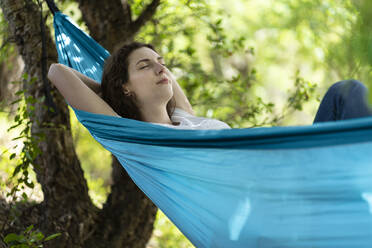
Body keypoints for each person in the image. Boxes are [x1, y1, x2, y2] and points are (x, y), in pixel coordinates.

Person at [47, 41, 372, 129]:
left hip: (282, 158)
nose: (161, 68)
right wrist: (111, 89)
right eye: (145, 65)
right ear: (124, 87)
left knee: (347, 91)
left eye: (162, 62)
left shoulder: (185, 116)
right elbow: (58, 72)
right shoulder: (138, 136)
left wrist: (146, 69)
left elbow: (167, 76)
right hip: (274, 184)